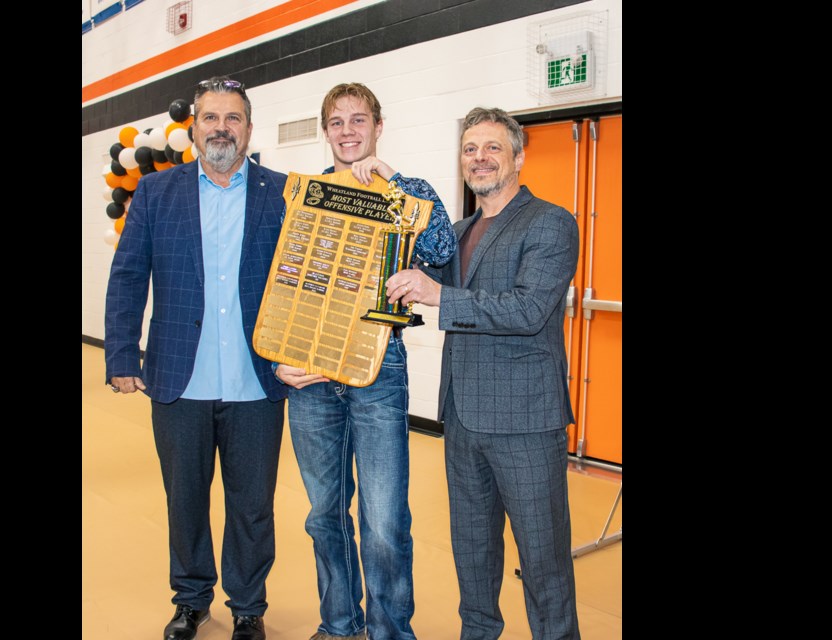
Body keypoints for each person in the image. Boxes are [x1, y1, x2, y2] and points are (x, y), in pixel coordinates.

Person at [385, 107, 582, 640]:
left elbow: (527, 310)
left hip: (525, 421)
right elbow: (414, 265)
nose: (480, 158)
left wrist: (439, 295)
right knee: (472, 552)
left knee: (543, 561)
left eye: (493, 147)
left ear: (518, 157)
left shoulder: (550, 222)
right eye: (471, 149)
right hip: (464, 418)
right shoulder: (457, 230)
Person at [104, 76, 287, 640]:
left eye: (233, 119)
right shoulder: (158, 194)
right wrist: (120, 354)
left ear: (249, 129)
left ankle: (249, 607)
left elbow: (308, 280)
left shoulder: (282, 192)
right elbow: (129, 275)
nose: (221, 129)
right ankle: (190, 599)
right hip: (178, 378)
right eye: (211, 118)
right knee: (185, 499)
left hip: (257, 379)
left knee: (252, 506)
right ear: (193, 127)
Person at [275, 83, 457, 640]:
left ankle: (389, 632)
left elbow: (442, 253)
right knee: (323, 515)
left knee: (383, 522)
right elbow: (279, 282)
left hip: (380, 370)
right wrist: (279, 360)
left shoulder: (408, 191)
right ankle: (338, 624)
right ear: (325, 131)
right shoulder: (303, 196)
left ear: (378, 126)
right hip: (309, 375)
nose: (348, 131)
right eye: (336, 122)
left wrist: (393, 183)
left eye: (359, 120)